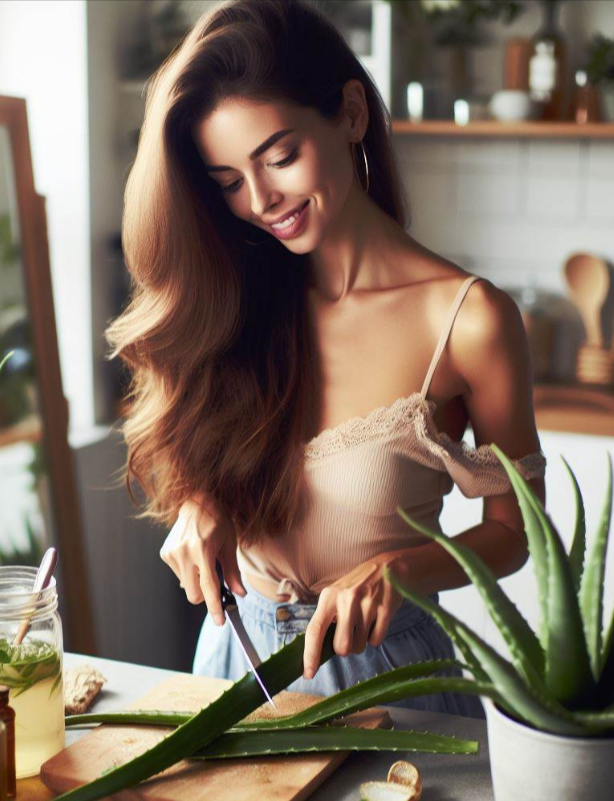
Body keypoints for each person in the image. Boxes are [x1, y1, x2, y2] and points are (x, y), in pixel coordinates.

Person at [105, 0, 546, 718]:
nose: (259, 201)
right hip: (231, 667)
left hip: (391, 681)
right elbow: (205, 445)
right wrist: (199, 500)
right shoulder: (234, 294)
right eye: (226, 182)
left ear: (348, 113)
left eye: (280, 157)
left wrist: (398, 569)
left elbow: (514, 532)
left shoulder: (468, 320)